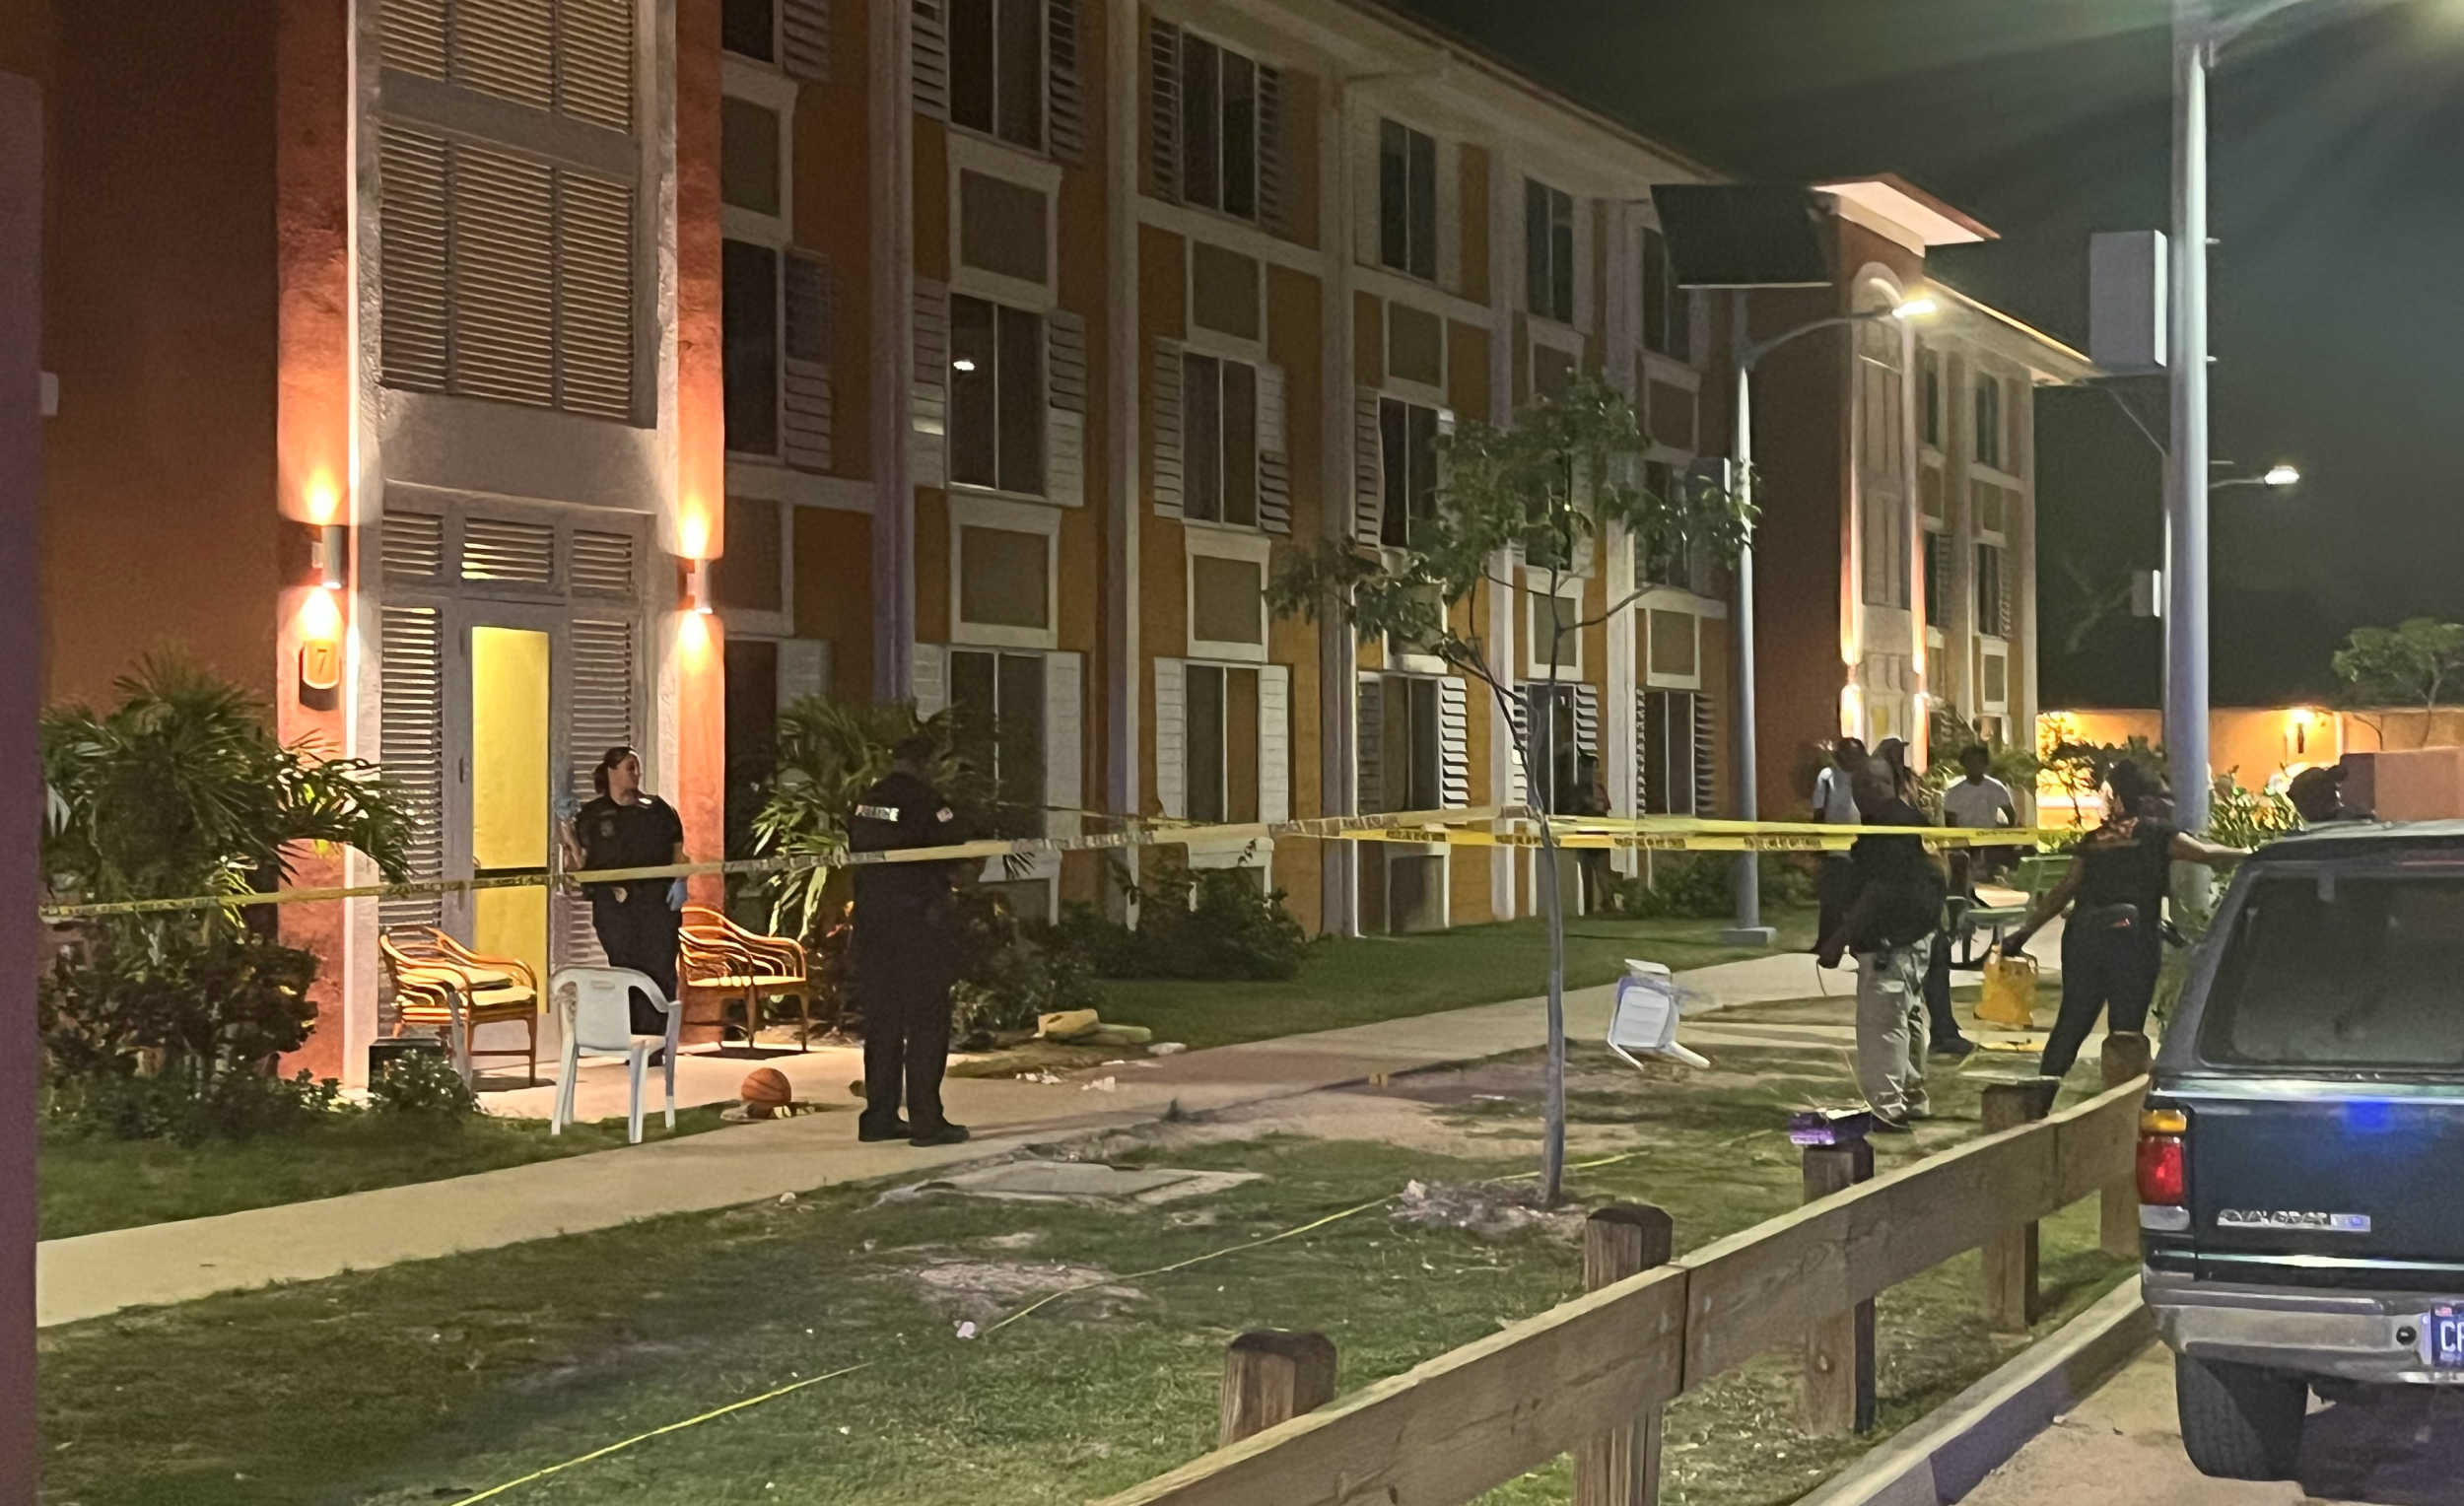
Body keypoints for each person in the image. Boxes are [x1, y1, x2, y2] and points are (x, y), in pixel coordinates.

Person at [2003, 760, 2245, 1079]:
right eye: (2164, 797)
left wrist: (2023, 933)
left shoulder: (2095, 838)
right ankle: (2122, 1096)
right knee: (2127, 1029)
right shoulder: (2157, 833)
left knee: (2073, 1020)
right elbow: (2206, 854)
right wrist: (2255, 854)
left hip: (2083, 935)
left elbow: (2064, 889)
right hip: (2132, 937)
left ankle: (2044, 1089)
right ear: (2148, 801)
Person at [849, 733, 971, 1147]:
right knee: (926, 1020)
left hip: (872, 925)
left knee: (882, 1022)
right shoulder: (929, 802)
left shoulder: (867, 801)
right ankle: (926, 1121)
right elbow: (954, 855)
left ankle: (879, 1118)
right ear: (927, 763)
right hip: (918, 924)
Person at [1816, 756, 1948, 1132]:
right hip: (1916, 937)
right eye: (1863, 784)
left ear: (1892, 785)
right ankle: (1912, 1096)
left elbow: (1878, 891)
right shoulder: (1909, 821)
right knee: (1908, 1018)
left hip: (1891, 941)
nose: (1869, 791)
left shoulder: (1886, 829)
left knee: (1882, 1025)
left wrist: (1838, 939)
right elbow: (1940, 869)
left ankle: (1886, 1110)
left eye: (1876, 783)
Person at [561, 746, 688, 1046]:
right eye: (629, 767)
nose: (636, 773)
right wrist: (566, 830)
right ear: (611, 771)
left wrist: (681, 880)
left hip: (657, 905)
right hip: (615, 907)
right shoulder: (593, 816)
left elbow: (679, 854)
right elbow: (578, 864)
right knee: (626, 972)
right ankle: (632, 1042)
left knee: (659, 971)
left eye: (637, 767)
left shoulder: (657, 810)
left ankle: (658, 1044)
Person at [1812, 737, 1868, 956]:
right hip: (1834, 847)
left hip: (1863, 848)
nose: (1853, 760)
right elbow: (1818, 811)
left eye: (1857, 755)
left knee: (1861, 898)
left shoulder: (1868, 779)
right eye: (1848, 755)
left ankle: (1859, 943)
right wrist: (1818, 843)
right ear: (1839, 756)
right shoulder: (1827, 777)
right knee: (1831, 898)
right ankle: (1826, 942)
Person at [1941, 743, 2019, 890]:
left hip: (1991, 841)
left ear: (1985, 764)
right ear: (1964, 764)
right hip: (1964, 842)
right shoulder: (1954, 792)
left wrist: (2004, 834)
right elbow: (1950, 823)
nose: (1975, 765)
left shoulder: (1996, 788)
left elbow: (2011, 815)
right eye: (1970, 761)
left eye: (1979, 761)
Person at [2289, 765, 2372, 826]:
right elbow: (2328, 810)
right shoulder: (2328, 787)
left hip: (2295, 810)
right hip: (2312, 817)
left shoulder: (2314, 772)